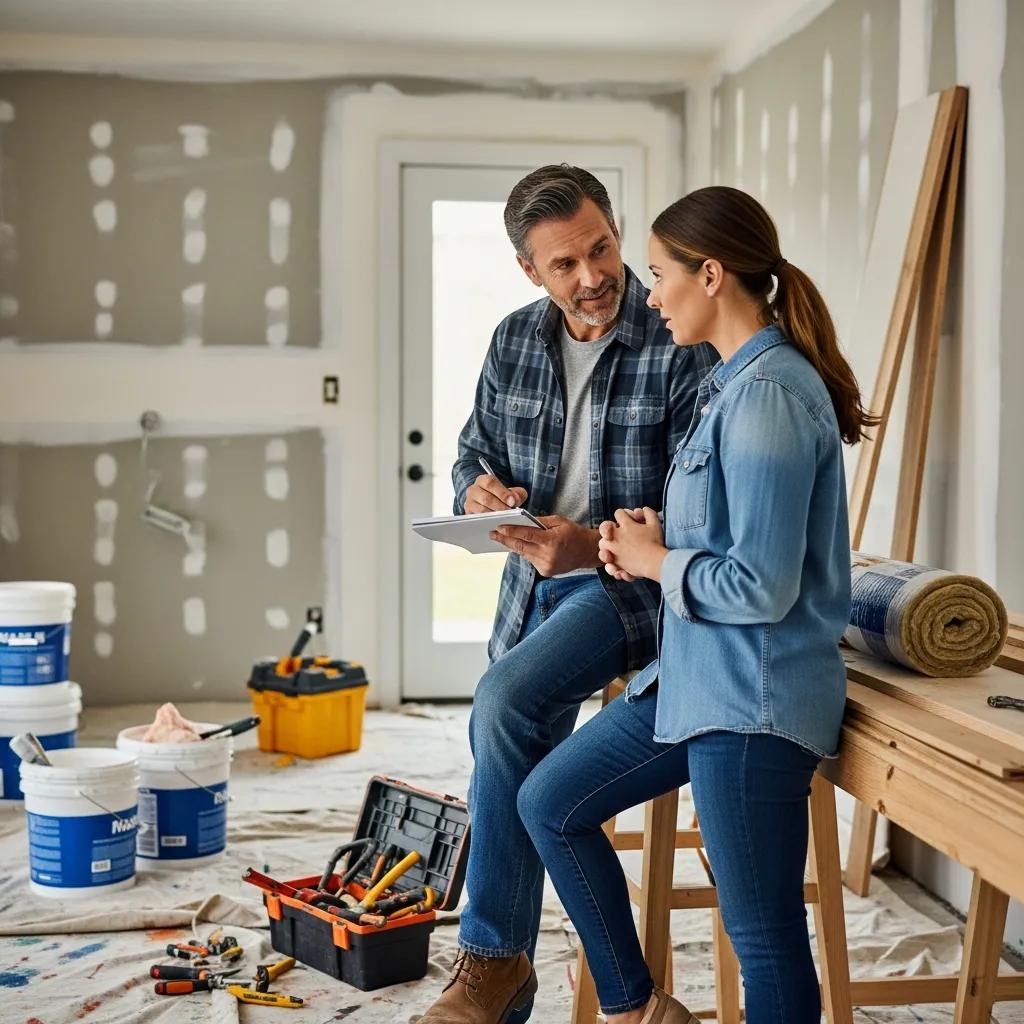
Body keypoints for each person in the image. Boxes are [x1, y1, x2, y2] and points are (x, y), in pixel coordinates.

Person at [517, 185, 875, 1024]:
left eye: (657, 274)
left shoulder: (771, 396)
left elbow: (761, 585)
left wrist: (658, 558)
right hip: (696, 683)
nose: (646, 295)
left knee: (764, 938)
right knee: (549, 801)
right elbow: (727, 543)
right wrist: (649, 542)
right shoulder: (731, 383)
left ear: (711, 275)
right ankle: (640, 1009)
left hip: (752, 705)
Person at [419, 166, 715, 1024]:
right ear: (529, 272)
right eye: (564, 265)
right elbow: (473, 447)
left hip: (629, 590)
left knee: (506, 698)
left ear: (618, 232)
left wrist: (588, 546)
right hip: (531, 587)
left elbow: (699, 506)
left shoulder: (678, 336)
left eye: (602, 248)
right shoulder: (514, 339)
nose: (592, 276)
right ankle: (502, 971)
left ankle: (492, 964)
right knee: (504, 723)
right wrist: (477, 488)